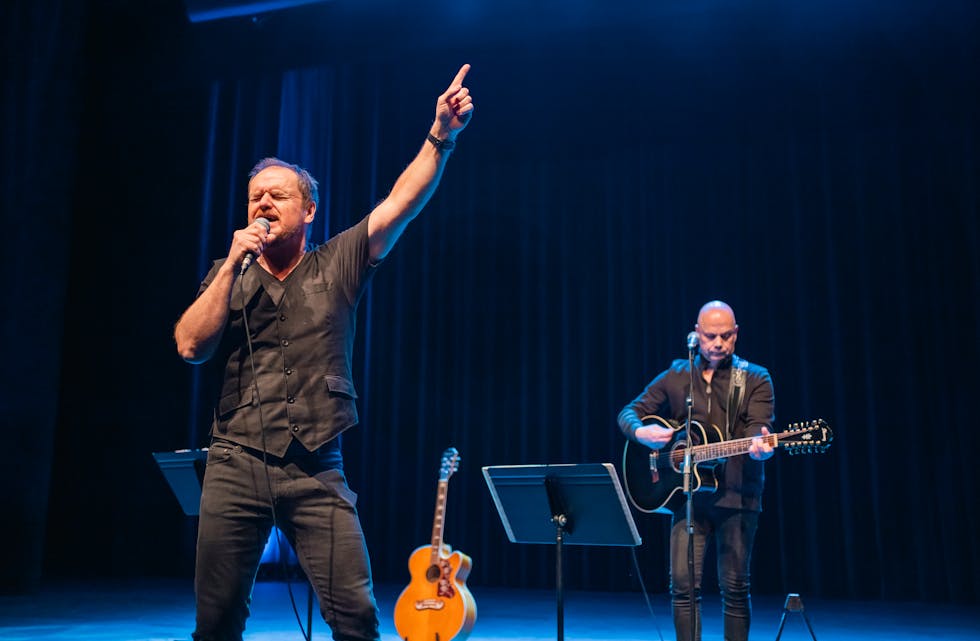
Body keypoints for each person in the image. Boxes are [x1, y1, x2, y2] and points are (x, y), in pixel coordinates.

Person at [173, 64, 474, 641]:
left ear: (308, 211)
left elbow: (400, 203)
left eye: (277, 196)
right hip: (235, 463)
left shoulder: (338, 262)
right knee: (216, 621)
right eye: (255, 197)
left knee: (356, 616)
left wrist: (441, 135)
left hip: (315, 465)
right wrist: (230, 267)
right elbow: (190, 345)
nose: (263, 204)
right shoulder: (227, 274)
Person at [617, 300, 775, 641]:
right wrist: (642, 432)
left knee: (734, 587)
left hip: (737, 496)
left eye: (725, 336)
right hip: (687, 499)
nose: (717, 343)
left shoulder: (754, 378)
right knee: (683, 588)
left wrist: (760, 448)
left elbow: (758, 430)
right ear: (696, 335)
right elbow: (630, 412)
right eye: (710, 336)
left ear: (736, 334)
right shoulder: (676, 375)